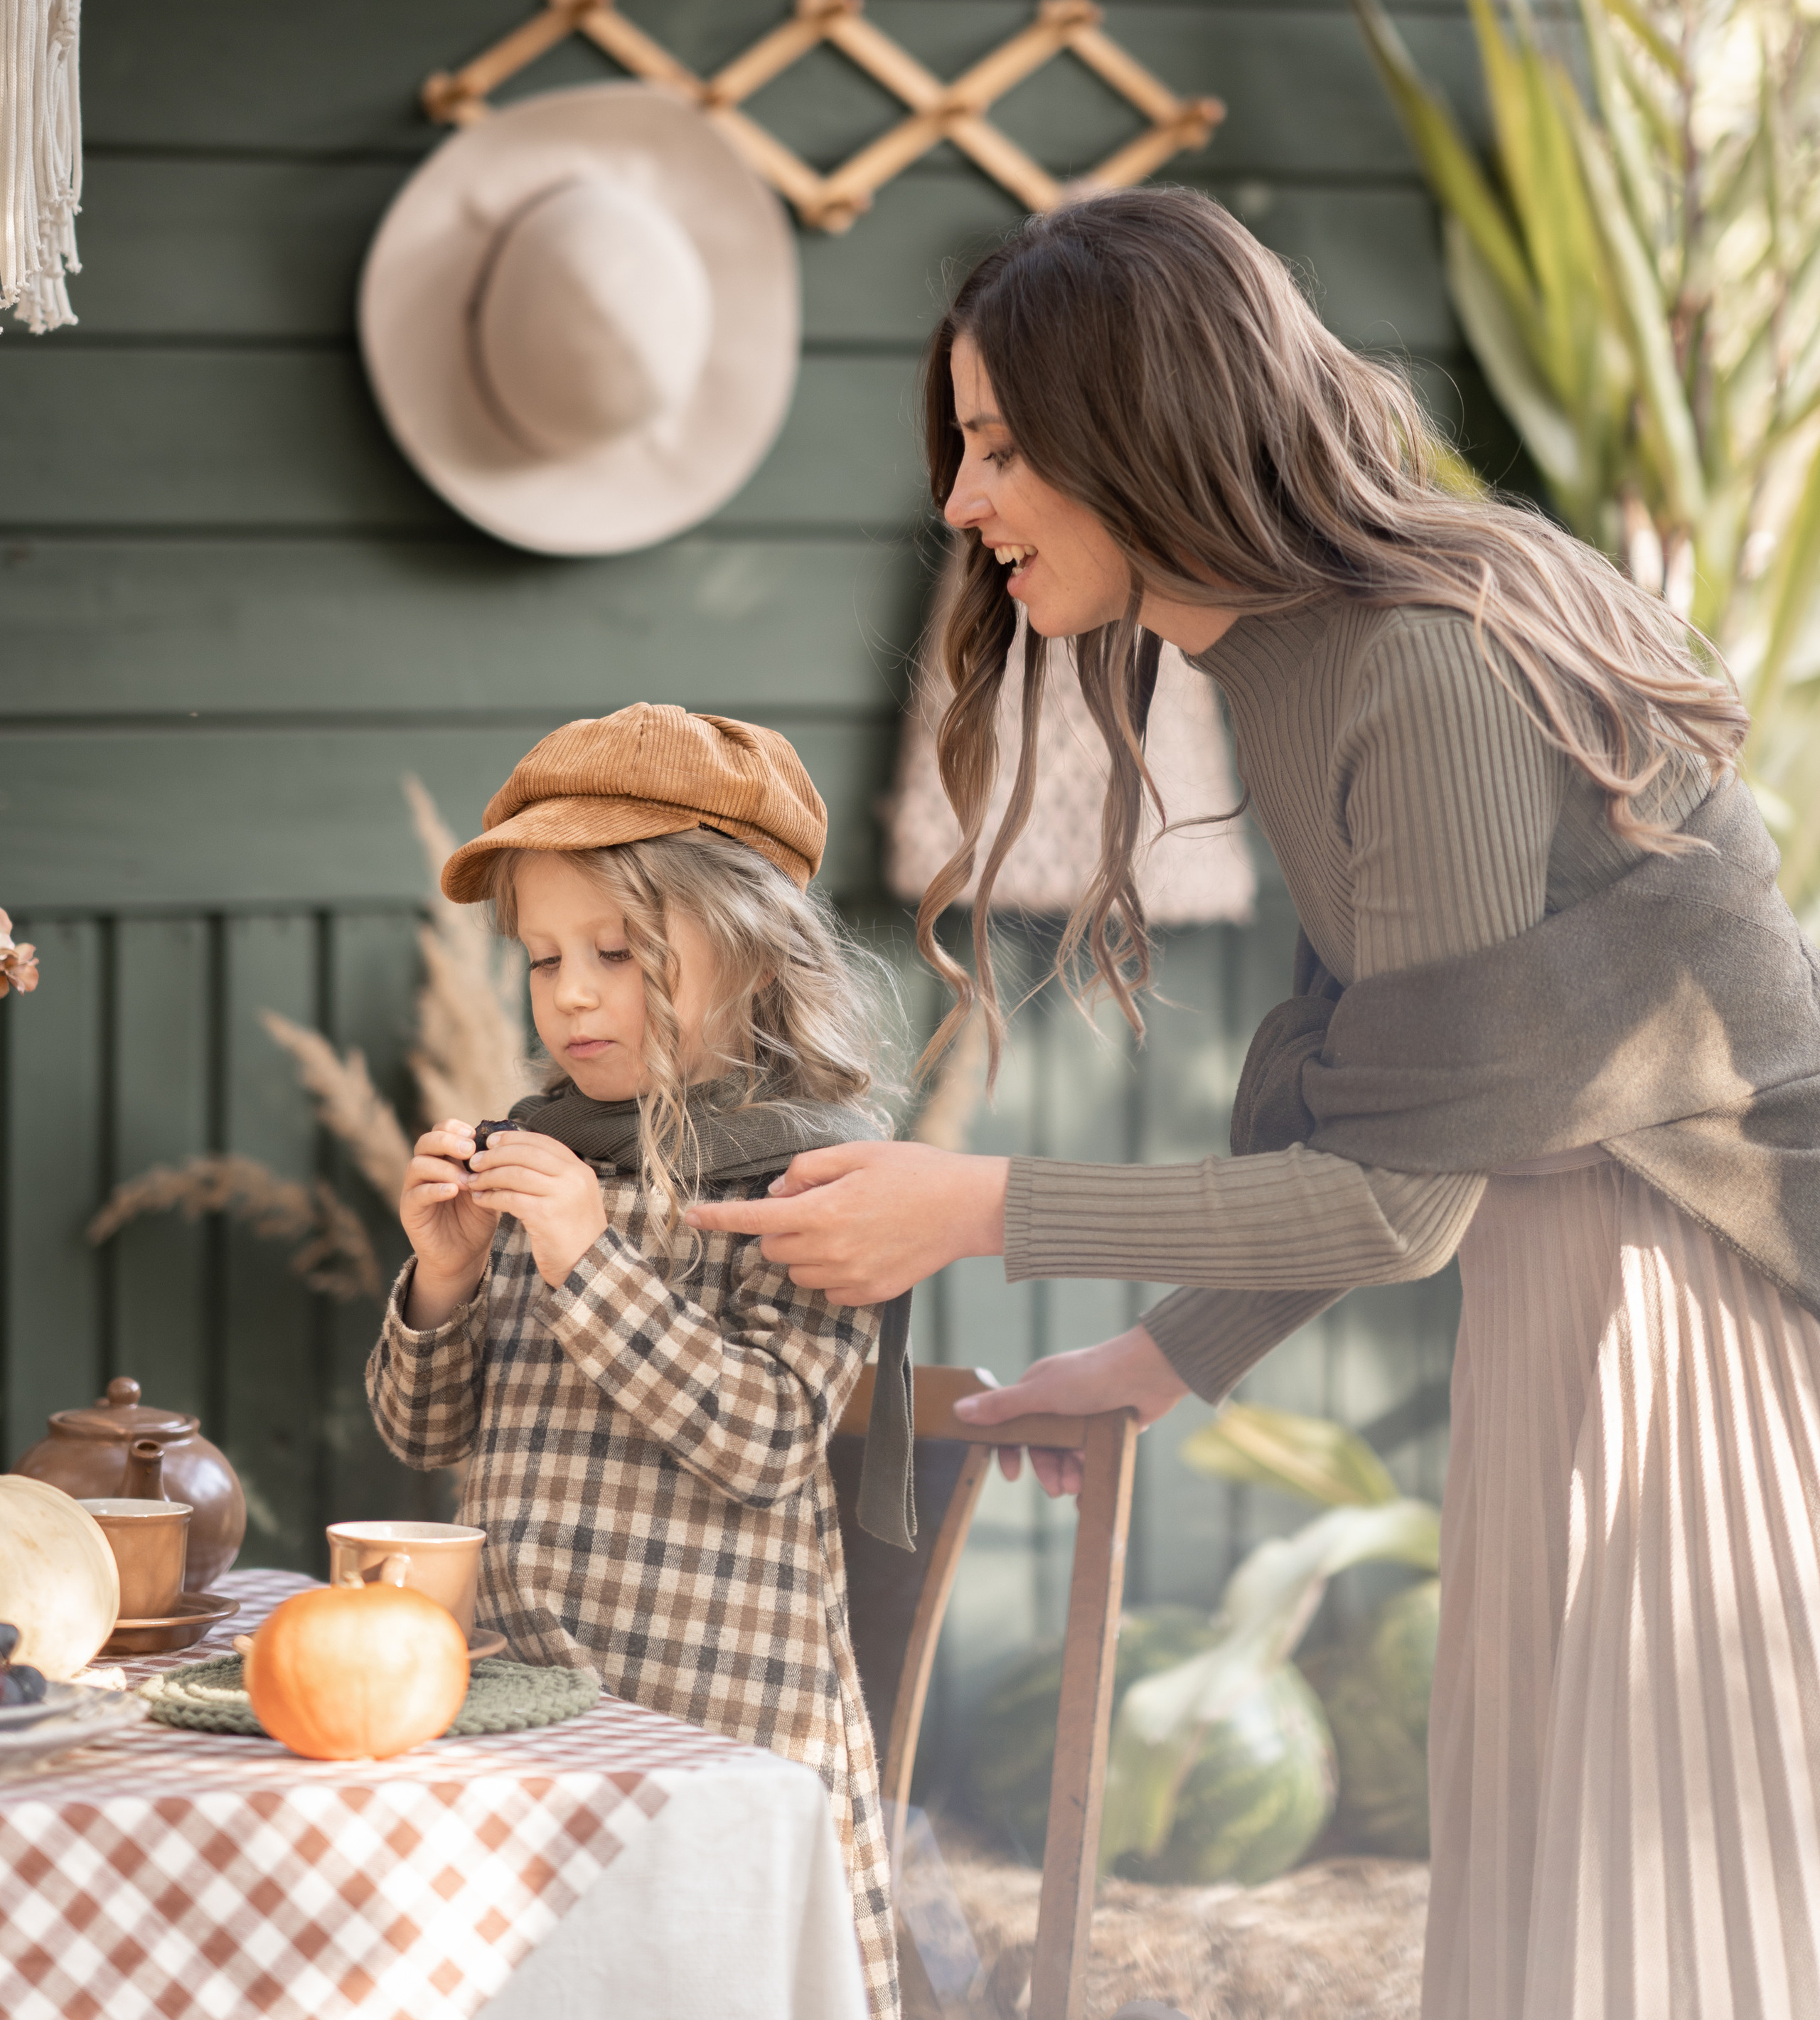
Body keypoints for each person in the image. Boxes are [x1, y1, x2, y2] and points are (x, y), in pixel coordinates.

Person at [690, 186, 1820, 2020]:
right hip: (1580, 1291)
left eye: (995, 446)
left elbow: (1393, 1197)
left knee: (1658, 1919)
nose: (958, 506)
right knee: (1553, 1892)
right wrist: (1153, 1361)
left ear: (1138, 428)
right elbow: (1414, 1107)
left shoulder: (1416, 663)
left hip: (1702, 1313)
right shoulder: (1291, 657)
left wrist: (971, 1203)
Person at [367, 704, 899, 2020]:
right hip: (521, 1705)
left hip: (713, 1728)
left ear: (759, 947)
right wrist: (440, 1272)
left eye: (618, 949)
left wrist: (589, 1262)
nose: (576, 994)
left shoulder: (813, 1176)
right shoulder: (547, 1151)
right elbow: (424, 1434)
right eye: (545, 961)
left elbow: (768, 1440)